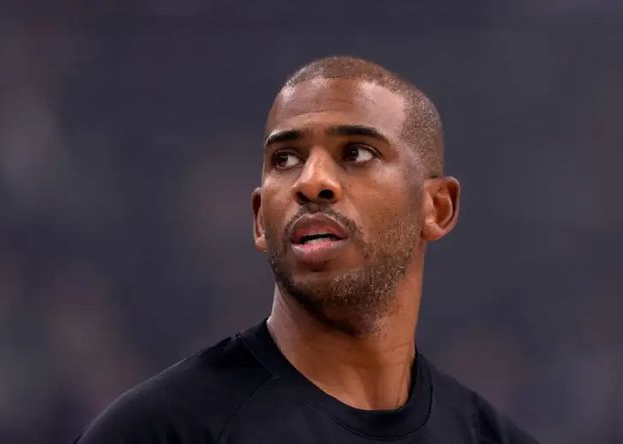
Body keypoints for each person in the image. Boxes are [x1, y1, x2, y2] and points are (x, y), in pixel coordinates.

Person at [75, 56, 538, 443]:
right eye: (286, 159)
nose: (311, 181)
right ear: (260, 219)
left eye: (356, 153)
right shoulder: (158, 432)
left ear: (436, 207)